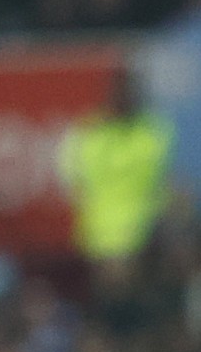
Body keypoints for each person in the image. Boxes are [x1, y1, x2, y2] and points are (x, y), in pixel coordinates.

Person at [57, 68, 175, 272]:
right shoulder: (88, 134)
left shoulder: (153, 131)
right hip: (98, 240)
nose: (123, 99)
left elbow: (168, 182)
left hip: (143, 238)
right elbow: (72, 183)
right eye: (119, 93)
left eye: (129, 93)